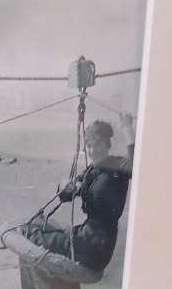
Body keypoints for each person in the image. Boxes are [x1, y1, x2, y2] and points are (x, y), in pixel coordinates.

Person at [24, 114, 136, 272]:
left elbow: (137, 164)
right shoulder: (91, 171)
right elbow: (65, 196)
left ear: (107, 144)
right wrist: (65, 185)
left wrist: (127, 127)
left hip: (97, 245)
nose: (92, 150)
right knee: (34, 226)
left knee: (34, 236)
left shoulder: (117, 166)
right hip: (85, 234)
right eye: (89, 146)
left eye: (97, 145)